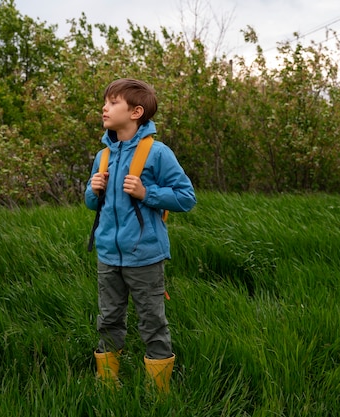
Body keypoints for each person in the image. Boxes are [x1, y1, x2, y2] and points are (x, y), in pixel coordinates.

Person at [85, 78, 196, 393]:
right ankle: (108, 385)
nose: (104, 108)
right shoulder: (103, 155)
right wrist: (93, 191)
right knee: (108, 321)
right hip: (108, 255)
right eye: (105, 102)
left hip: (145, 257)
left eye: (112, 102)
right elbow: (91, 203)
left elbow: (186, 197)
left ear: (136, 112)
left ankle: (158, 394)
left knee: (152, 324)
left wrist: (147, 192)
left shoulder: (158, 153)